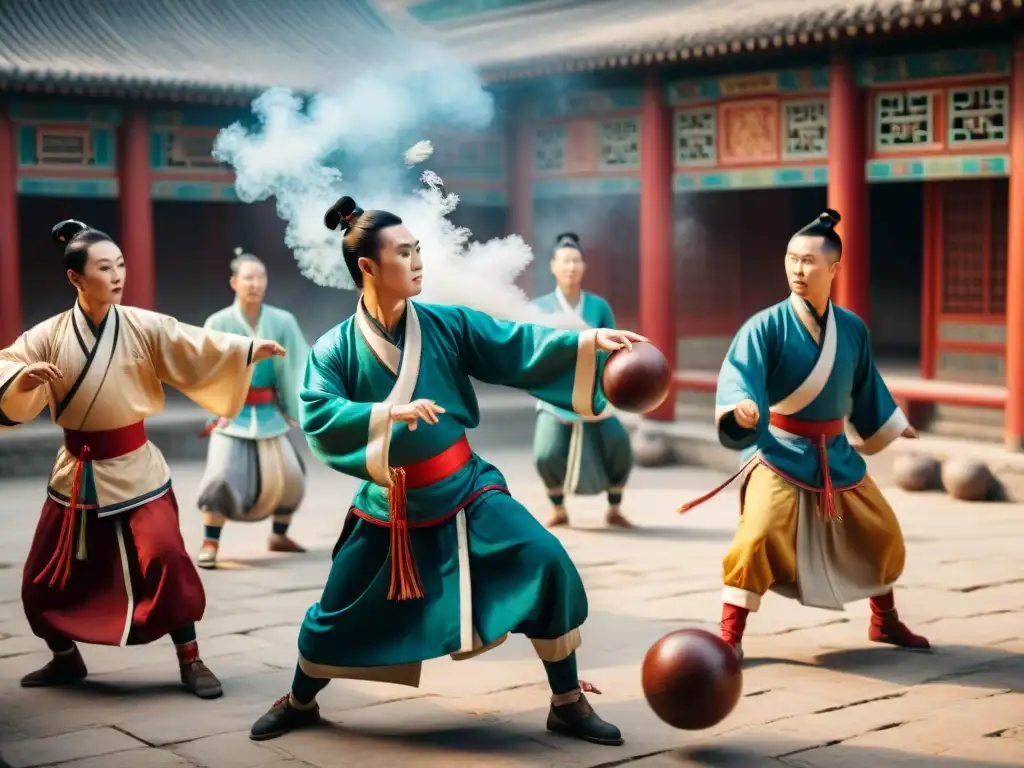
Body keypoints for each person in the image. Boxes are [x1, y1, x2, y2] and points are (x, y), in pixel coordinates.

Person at [249, 196, 646, 746]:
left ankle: (567, 700)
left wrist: (587, 344)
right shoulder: (334, 349)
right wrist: (387, 414)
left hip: (465, 488)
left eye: (418, 250)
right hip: (391, 502)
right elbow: (318, 410)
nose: (417, 262)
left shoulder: (447, 324)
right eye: (404, 252)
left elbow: (513, 344)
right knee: (336, 611)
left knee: (547, 560)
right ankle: (299, 700)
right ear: (367, 267)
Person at [0, 220, 285, 698]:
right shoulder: (48, 335)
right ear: (75, 278)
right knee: (41, 577)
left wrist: (247, 350)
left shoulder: (142, 324)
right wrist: (24, 378)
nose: (117, 276)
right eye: (104, 268)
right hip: (77, 471)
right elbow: (7, 364)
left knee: (167, 557)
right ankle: (65, 658)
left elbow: (194, 344)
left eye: (121, 266)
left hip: (135, 466)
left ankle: (191, 659)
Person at [679, 209, 930, 661]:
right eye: (792, 259)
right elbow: (740, 376)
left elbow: (865, 383)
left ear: (834, 268)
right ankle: (730, 636)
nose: (798, 269)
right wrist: (743, 408)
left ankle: (884, 620)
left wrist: (891, 420)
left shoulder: (851, 329)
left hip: (834, 454)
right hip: (778, 450)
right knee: (755, 537)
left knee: (881, 532)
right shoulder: (764, 327)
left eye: (809, 261)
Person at [194, 248, 310, 569]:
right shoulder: (218, 322)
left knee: (292, 476)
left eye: (260, 277)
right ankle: (210, 541)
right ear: (234, 282)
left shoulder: (282, 321)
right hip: (231, 413)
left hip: (270, 413)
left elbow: (297, 365)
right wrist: (220, 408)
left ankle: (279, 535)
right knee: (220, 476)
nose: (255, 283)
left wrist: (294, 408)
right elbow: (205, 370)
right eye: (248, 277)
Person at [532, 233, 633, 529]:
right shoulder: (540, 307)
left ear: (584, 266)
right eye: (565, 261)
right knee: (546, 452)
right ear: (553, 266)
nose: (571, 267)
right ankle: (558, 507)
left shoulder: (599, 306)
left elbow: (615, 352)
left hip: (597, 393)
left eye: (576, 260)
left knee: (619, 444)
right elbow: (532, 354)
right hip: (555, 395)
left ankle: (614, 508)